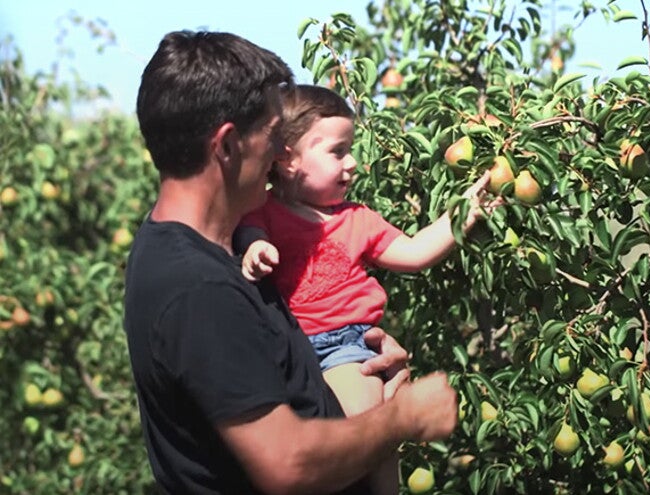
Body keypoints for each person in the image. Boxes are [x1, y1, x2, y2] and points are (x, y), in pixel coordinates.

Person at [124, 30, 457, 495]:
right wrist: (401, 418)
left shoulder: (222, 255)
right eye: (274, 136)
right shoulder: (197, 288)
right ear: (226, 145)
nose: (282, 156)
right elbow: (287, 464)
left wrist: (373, 372)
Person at [238, 84, 501, 494]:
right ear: (287, 159)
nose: (353, 162)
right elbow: (249, 233)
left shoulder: (359, 219)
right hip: (290, 347)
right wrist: (255, 247)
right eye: (338, 151)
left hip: (348, 346)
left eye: (351, 148)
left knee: (367, 427)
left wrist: (464, 213)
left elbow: (414, 252)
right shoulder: (263, 210)